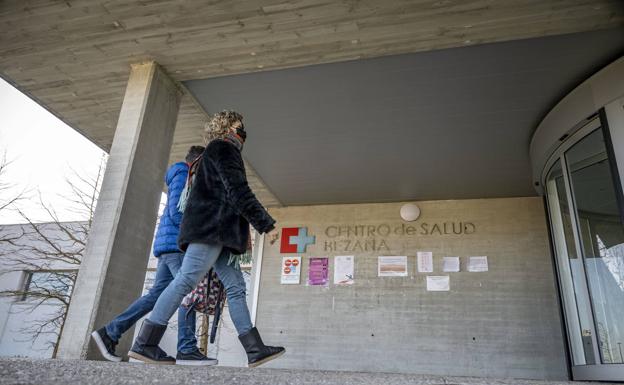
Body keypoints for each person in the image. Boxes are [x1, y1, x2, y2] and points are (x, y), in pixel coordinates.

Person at [129, 110, 285, 367]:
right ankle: (145, 343)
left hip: (218, 231)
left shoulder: (215, 152)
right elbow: (238, 191)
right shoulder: (224, 149)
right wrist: (266, 225)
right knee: (185, 280)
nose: (243, 131)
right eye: (239, 126)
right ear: (227, 127)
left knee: (235, 286)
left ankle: (254, 349)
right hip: (212, 229)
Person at [91, 145, 216, 366]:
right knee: (189, 291)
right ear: (198, 161)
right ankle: (186, 349)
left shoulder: (185, 175)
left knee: (157, 295)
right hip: (177, 245)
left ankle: (110, 332)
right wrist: (194, 238)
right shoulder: (183, 173)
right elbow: (178, 211)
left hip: (171, 245)